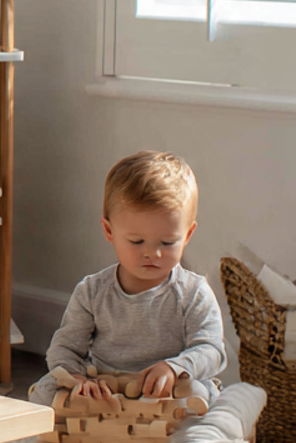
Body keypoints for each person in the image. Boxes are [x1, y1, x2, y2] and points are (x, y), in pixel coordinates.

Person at [29, 150, 226, 407]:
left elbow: (212, 351)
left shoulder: (193, 292)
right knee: (42, 392)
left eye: (167, 242)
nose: (152, 253)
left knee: (200, 395)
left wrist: (174, 368)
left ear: (187, 235)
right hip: (105, 386)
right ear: (109, 231)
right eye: (136, 241)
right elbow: (64, 348)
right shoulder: (91, 290)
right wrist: (77, 379)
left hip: (167, 389)